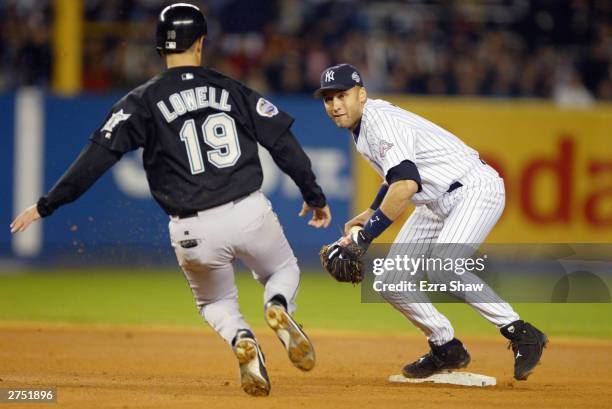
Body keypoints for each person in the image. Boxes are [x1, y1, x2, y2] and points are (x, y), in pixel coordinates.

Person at [10, 3, 332, 397]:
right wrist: (313, 194)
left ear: (160, 48)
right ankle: (278, 303)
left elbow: (95, 158)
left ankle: (240, 337)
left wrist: (47, 204)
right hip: (248, 211)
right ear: (201, 44)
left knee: (215, 302)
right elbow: (282, 142)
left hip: (191, 229)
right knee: (283, 270)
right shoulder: (233, 89)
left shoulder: (141, 101)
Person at [314, 63, 547, 381]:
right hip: (435, 202)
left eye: (342, 95)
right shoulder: (365, 125)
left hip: (472, 188)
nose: (335, 104)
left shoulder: (378, 122)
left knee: (443, 265)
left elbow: (406, 185)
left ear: (362, 95)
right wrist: (371, 212)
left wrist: (364, 238)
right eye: (328, 99)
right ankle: (446, 347)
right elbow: (397, 176)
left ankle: (521, 332)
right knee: (391, 281)